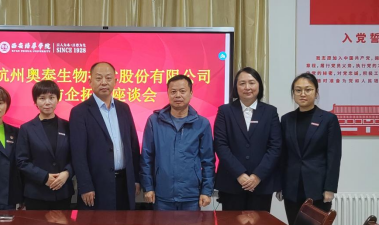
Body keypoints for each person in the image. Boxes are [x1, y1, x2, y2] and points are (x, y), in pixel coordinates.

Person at [69, 62, 141, 210]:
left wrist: (135, 178)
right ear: (90, 81)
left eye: (108, 78)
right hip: (96, 184)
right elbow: (78, 154)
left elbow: (133, 146)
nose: (104, 82)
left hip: (125, 182)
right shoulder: (79, 112)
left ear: (115, 81)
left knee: (125, 223)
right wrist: (85, 185)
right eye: (98, 78)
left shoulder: (124, 108)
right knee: (98, 223)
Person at [140, 75, 214, 211]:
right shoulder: (154, 121)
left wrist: (206, 190)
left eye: (182, 91)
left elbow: (208, 160)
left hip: (191, 196)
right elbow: (146, 157)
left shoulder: (202, 123)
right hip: (162, 194)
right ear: (168, 94)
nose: (178, 95)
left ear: (191, 93)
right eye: (173, 92)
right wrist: (148, 187)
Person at [214, 67, 282, 211]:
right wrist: (239, 174)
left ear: (259, 85)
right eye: (242, 83)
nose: (247, 87)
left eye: (251, 82)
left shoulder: (270, 112)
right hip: (231, 182)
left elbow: (275, 147)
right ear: (236, 87)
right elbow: (221, 145)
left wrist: (257, 176)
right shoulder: (225, 111)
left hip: (261, 184)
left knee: (260, 224)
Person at [279, 72, 342, 225]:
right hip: (292, 188)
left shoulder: (328, 120)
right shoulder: (286, 119)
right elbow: (283, 155)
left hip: (318, 189)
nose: (303, 94)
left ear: (316, 92)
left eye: (308, 89)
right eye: (298, 90)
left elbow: (334, 156)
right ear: (293, 93)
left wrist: (330, 188)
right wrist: (280, 185)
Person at [16, 80, 74, 210]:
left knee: (63, 224)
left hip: (63, 192)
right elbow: (21, 161)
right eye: (42, 98)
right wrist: (44, 177)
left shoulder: (68, 126)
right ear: (35, 102)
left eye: (51, 97)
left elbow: (76, 156)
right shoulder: (26, 129)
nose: (47, 102)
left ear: (57, 100)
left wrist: (67, 173)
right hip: (36, 193)